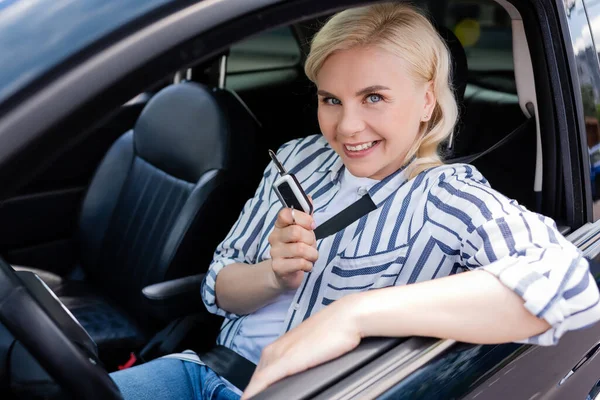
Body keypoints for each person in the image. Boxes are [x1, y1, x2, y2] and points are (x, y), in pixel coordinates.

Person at [111, 3, 600, 399]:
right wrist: (274, 275)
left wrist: (353, 314)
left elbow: (570, 286)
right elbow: (217, 287)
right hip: (200, 374)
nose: (346, 128)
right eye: (331, 100)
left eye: (373, 98)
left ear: (427, 100)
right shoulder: (296, 158)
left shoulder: (447, 195)